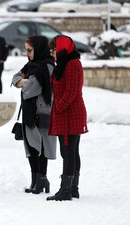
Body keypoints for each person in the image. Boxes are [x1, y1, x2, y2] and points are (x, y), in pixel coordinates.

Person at [12, 36, 57, 195]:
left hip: (43, 111)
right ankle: (35, 180)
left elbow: (31, 89)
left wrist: (23, 83)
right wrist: (24, 81)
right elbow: (15, 78)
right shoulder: (31, 65)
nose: (27, 53)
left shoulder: (47, 66)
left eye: (30, 50)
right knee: (31, 146)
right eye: (26, 50)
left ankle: (42, 179)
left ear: (38, 49)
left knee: (41, 146)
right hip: (30, 111)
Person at [46, 35, 88, 201]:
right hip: (68, 113)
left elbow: (72, 91)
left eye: (54, 50)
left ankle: (66, 190)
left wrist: (58, 107)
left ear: (62, 49)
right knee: (71, 151)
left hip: (70, 114)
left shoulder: (72, 64)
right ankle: (72, 189)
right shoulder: (66, 63)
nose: (52, 54)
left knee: (68, 152)